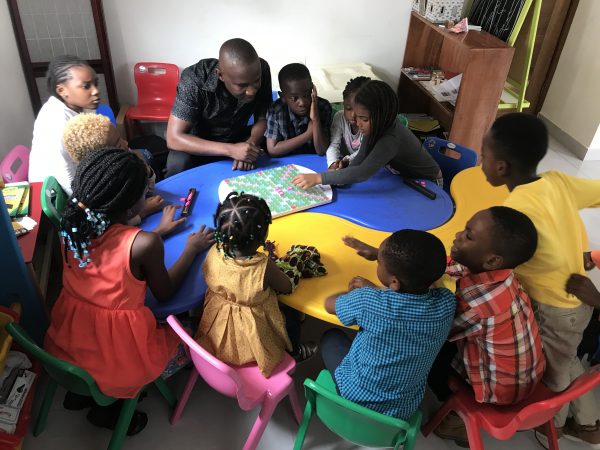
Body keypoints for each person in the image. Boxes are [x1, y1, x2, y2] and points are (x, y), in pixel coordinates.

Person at [44, 148, 214, 435]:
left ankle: (82, 392)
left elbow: (112, 252)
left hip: (66, 341)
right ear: (134, 206)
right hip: (119, 353)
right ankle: (107, 413)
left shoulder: (71, 226)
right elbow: (165, 294)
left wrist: (155, 230)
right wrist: (191, 249)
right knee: (192, 335)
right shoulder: (144, 244)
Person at [481, 112, 600, 446]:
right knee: (567, 356)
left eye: (483, 155)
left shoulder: (515, 211)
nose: (480, 162)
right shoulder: (558, 181)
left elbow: (491, 258)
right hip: (575, 302)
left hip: (555, 309)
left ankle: (555, 424)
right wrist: (580, 252)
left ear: (501, 166)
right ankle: (589, 422)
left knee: (554, 372)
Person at [427, 207, 545, 445]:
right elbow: (458, 267)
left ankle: (457, 421)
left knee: (428, 356)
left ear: (492, 260)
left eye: (468, 236)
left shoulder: (477, 304)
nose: (458, 235)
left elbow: (433, 329)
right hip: (526, 376)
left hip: (501, 390)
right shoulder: (501, 273)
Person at [321, 230, 455, 420]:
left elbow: (329, 303)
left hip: (355, 395)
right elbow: (428, 280)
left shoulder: (368, 301)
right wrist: (380, 262)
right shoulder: (447, 303)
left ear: (394, 282)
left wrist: (368, 292)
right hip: (401, 410)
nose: (378, 263)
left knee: (331, 336)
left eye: (379, 263)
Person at [195, 192, 317, 377]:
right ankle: (294, 351)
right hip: (252, 332)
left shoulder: (215, 250)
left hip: (217, 326)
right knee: (292, 312)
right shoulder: (263, 265)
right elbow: (286, 286)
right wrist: (273, 260)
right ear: (263, 235)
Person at [291, 80, 441, 189]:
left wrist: (319, 177)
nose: (357, 123)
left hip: (429, 183)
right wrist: (343, 172)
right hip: (404, 177)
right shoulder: (374, 126)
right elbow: (360, 158)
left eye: (364, 119)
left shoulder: (390, 138)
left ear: (380, 117)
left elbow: (362, 173)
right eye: (357, 116)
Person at [166, 38, 273, 176]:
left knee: (274, 145)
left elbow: (262, 118)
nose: (252, 91)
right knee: (178, 163)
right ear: (220, 75)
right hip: (199, 142)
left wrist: (250, 147)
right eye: (242, 85)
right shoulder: (194, 79)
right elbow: (174, 138)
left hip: (238, 136)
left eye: (256, 81)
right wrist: (231, 150)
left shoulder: (261, 69)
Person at [62, 113, 174, 231]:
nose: (126, 143)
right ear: (103, 158)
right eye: (119, 144)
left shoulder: (122, 165)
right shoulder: (98, 193)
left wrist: (144, 169)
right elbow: (110, 230)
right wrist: (144, 212)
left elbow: (149, 189)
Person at [29, 55, 99, 194]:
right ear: (62, 90)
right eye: (86, 86)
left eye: (95, 84)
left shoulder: (80, 107)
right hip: (61, 197)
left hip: (83, 175)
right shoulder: (56, 123)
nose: (95, 91)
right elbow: (68, 181)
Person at [265, 63, 331, 156]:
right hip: (287, 164)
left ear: (312, 90)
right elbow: (273, 150)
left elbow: (322, 151)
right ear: (283, 97)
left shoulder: (322, 106)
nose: (302, 103)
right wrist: (308, 134)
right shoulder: (276, 111)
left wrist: (315, 120)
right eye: (294, 98)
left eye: (307, 94)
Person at [324, 76, 370, 170]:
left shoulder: (368, 123)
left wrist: (347, 161)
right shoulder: (339, 117)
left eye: (358, 110)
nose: (353, 115)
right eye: (348, 108)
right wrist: (333, 164)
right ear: (343, 104)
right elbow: (333, 145)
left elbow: (363, 152)